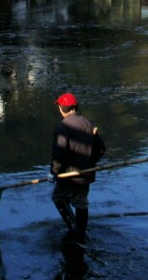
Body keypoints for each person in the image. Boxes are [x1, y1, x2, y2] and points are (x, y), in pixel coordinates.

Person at [49, 92, 106, 242]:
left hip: (69, 176)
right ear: (75, 107)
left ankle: (73, 228)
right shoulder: (89, 124)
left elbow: (59, 154)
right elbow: (101, 149)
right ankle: (81, 232)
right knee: (81, 201)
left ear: (62, 108)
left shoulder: (62, 127)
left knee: (58, 197)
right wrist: (90, 162)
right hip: (87, 174)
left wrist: (53, 172)